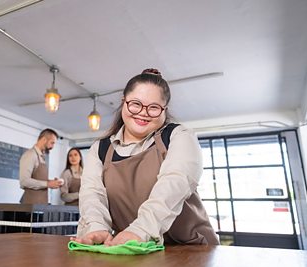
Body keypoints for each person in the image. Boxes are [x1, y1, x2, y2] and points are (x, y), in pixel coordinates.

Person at [72, 68, 219, 246]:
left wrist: (140, 230)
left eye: (154, 107)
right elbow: (92, 194)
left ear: (164, 110)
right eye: (135, 103)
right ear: (123, 102)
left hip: (190, 249)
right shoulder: (100, 149)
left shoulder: (179, 136)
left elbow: (175, 183)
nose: (143, 112)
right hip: (131, 250)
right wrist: (96, 227)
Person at [19, 128, 63, 204]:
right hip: (29, 206)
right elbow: (24, 181)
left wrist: (52, 182)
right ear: (44, 139)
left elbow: (37, 179)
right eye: (52, 143)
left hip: (40, 205)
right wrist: (48, 184)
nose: (52, 147)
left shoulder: (41, 157)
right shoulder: (30, 155)